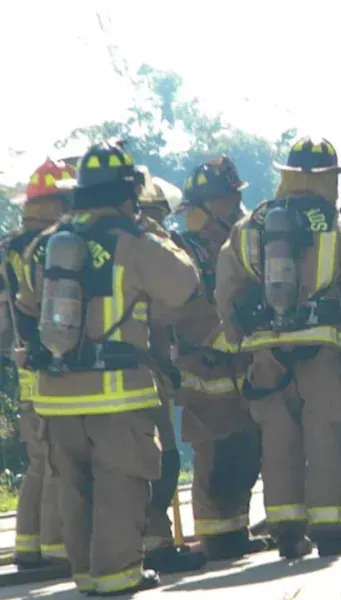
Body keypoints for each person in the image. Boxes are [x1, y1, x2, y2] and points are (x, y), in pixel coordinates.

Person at [14, 141, 201, 595]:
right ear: (129, 192)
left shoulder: (47, 244)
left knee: (75, 489)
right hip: (117, 393)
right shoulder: (133, 241)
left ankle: (86, 578)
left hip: (56, 394)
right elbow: (184, 285)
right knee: (120, 484)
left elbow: (26, 301)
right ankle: (118, 579)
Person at [214, 136, 341, 558]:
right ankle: (332, 530)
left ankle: (286, 531)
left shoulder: (252, 225)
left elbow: (226, 287)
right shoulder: (338, 225)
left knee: (278, 441)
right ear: (330, 179)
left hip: (266, 354)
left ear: (286, 175)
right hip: (322, 351)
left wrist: (239, 342)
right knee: (326, 437)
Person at [167, 157, 269, 560]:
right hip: (205, 372)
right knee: (214, 457)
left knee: (246, 451)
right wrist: (229, 337)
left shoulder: (242, 243)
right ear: (203, 210)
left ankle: (234, 532)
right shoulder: (182, 251)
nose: (236, 208)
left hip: (241, 369)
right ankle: (215, 538)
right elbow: (188, 312)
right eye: (228, 201)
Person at [135, 168, 207, 573]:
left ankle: (155, 542)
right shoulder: (143, 248)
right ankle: (154, 546)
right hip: (142, 370)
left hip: (149, 367)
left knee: (158, 460)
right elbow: (172, 302)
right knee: (154, 462)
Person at [3, 159, 72, 569]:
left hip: (23, 362)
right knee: (57, 462)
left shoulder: (9, 247)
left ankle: (28, 546)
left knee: (38, 461)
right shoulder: (54, 245)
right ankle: (56, 549)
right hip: (53, 364)